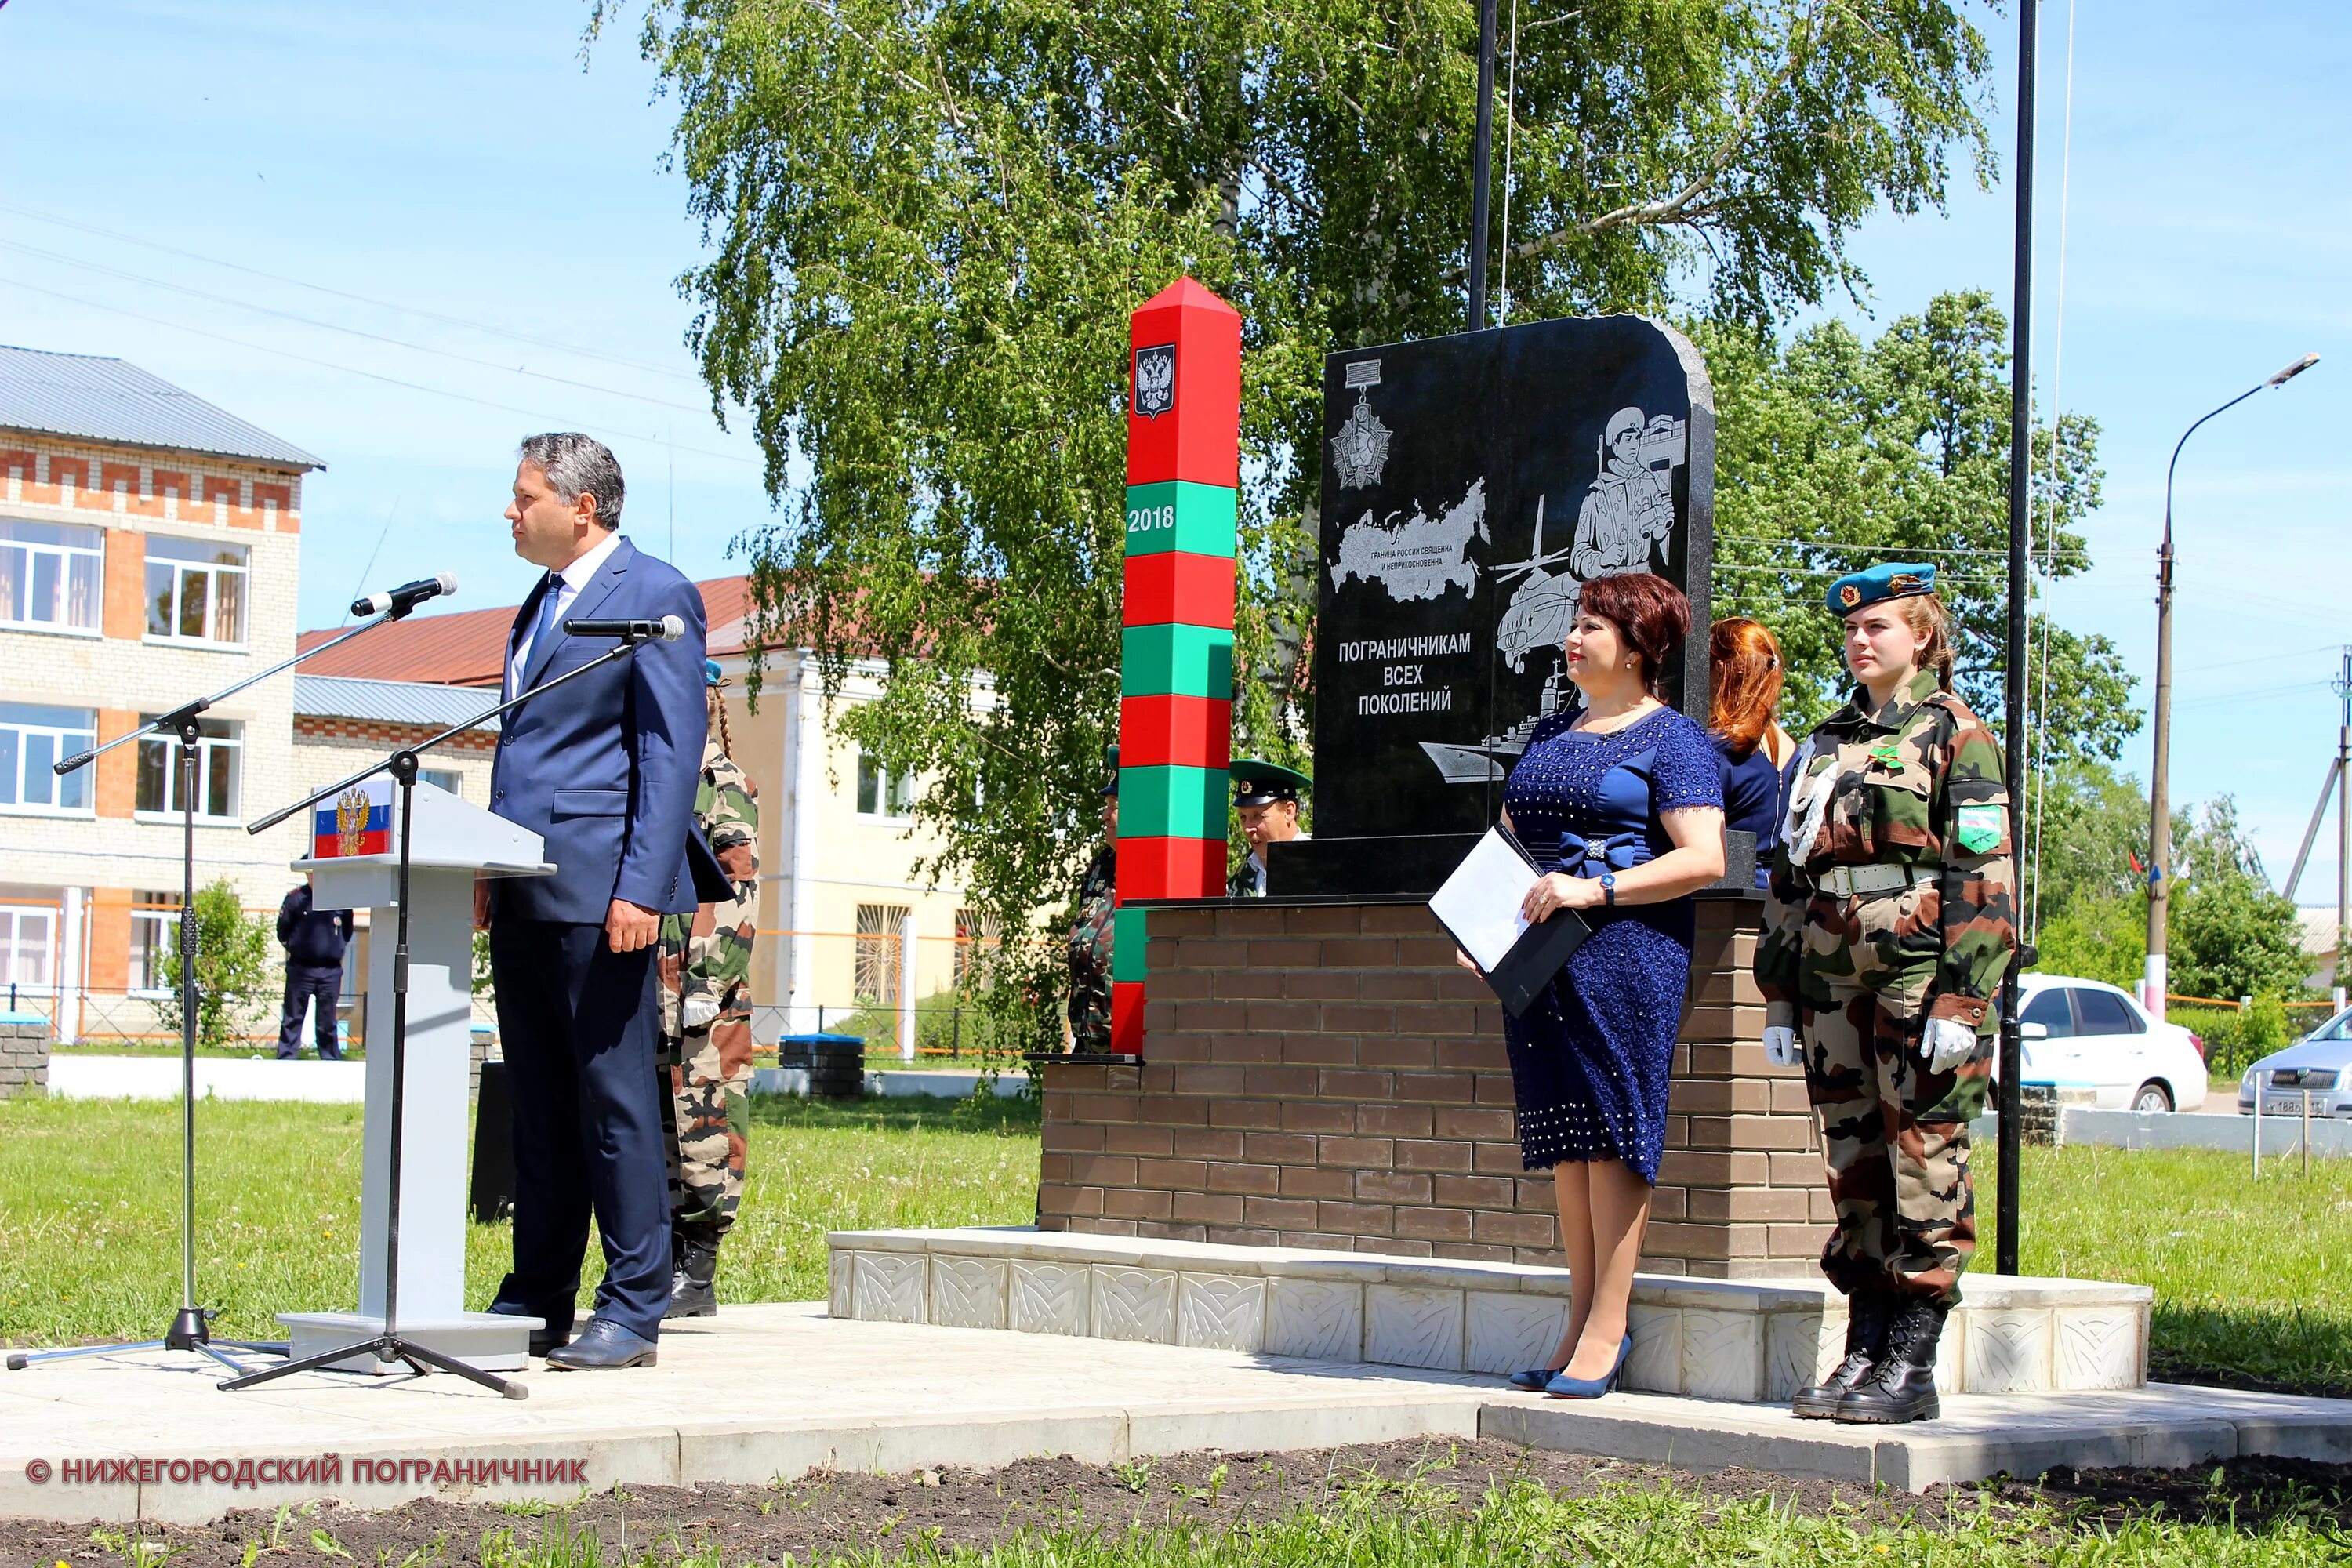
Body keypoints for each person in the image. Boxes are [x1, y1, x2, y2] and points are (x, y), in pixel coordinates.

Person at [1756, 561, 2016, 1426]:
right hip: (1832, 970)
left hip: (1917, 969)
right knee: (1854, 1156)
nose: (1861, 641)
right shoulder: (1825, 743)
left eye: (1880, 628)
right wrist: (1780, 996)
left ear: (1923, 636)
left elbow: (1986, 873)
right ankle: (1865, 1338)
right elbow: (1792, 871)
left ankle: (1913, 1351)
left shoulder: (1956, 734)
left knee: (1924, 1151)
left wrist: (1963, 998)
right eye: (1852, 631)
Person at [1458, 570, 1725, 1400]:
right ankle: (1577, 1324)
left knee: (1613, 1131)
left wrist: (1595, 888)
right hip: (1540, 962)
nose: (1574, 638)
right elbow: (1508, 839)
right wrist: (1483, 929)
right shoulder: (1550, 728)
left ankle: (1608, 1327)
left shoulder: (1673, 738)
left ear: (1641, 646)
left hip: (1625, 955)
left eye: (1594, 626)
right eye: (1574, 624)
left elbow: (1704, 858)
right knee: (1569, 1136)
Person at [477, 432, 708, 1372]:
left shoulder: (652, 593)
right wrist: (491, 872)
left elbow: (667, 752)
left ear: (580, 506)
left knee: (612, 1100)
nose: (509, 510)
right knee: (536, 1103)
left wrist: (641, 888)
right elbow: (525, 753)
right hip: (528, 890)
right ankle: (537, 1294)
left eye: (523, 494)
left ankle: (634, 1305)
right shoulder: (540, 600)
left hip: (603, 890)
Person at [658, 660, 761, 1319]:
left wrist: (707, 982)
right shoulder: (659, 778)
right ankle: (662, 1259)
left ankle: (697, 1272)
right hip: (652, 982)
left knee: (706, 1128)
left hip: (703, 997)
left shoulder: (722, 785)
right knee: (660, 1130)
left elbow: (739, 894)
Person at [1708, 617, 1795, 890]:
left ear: (1721, 670)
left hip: (1723, 905)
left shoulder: (1719, 746)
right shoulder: (1791, 746)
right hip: (1779, 902)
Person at [1065, 750, 1118, 1052]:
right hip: (1088, 1037)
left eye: (1113, 807)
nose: (1104, 815)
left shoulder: (1155, 868)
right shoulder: (1101, 865)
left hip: (1128, 1040)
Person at [274, 883, 350, 1060]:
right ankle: (286, 1057)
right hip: (301, 968)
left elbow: (346, 931)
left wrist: (331, 948)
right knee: (293, 1017)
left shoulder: (340, 899)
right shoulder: (296, 898)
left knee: (327, 1020)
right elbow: (283, 930)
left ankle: (330, 1058)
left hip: (330, 970)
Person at [1226, 759, 1310, 897]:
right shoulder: (1243, 876)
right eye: (1243, 817)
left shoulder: (1318, 866)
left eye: (1258, 816)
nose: (1248, 828)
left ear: (1289, 812)